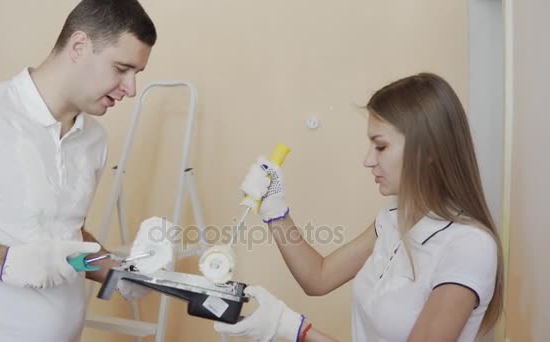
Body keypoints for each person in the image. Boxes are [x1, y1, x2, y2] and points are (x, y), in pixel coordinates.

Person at [216, 73, 504, 341]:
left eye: (380, 147)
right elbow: (319, 277)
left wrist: (294, 329)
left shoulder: (468, 247)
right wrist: (275, 212)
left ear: (427, 150)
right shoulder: (393, 219)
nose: (368, 160)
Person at [0, 0, 156, 341]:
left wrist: (119, 272)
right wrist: (1, 262)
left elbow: (67, 239)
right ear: (79, 46)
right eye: (121, 69)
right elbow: (22, 258)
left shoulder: (94, 140)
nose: (130, 89)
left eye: (136, 75)